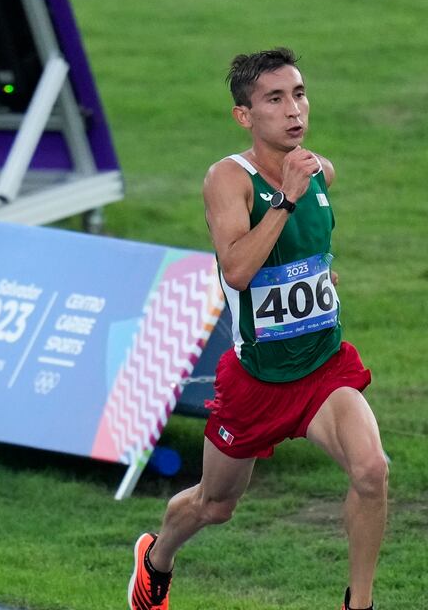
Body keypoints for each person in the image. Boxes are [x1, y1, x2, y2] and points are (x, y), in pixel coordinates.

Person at [128, 48, 388, 610]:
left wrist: (320, 275)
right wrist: (288, 199)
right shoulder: (229, 179)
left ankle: (359, 605)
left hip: (322, 368)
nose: (294, 109)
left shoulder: (320, 171)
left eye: (299, 93)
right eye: (275, 99)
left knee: (371, 471)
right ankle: (156, 557)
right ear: (245, 116)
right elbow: (239, 271)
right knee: (215, 506)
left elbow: (307, 257)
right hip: (257, 380)